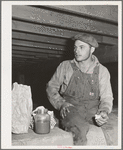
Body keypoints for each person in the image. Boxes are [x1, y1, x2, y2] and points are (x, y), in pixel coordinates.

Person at [46, 33, 114, 145]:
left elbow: (106, 96)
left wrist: (104, 111)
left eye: (81, 47)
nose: (77, 51)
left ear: (92, 49)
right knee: (79, 129)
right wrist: (61, 103)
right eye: (75, 47)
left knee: (112, 130)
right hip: (70, 108)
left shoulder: (102, 71)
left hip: (92, 110)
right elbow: (51, 87)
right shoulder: (65, 66)